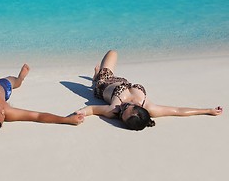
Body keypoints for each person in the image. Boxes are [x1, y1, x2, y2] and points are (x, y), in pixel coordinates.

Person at [75, 50, 223, 130]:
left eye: (122, 114)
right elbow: (177, 111)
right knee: (114, 52)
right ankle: (95, 77)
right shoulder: (150, 107)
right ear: (138, 107)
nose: (122, 107)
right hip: (121, 81)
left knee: (111, 53)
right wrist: (207, 110)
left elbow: (93, 109)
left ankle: (95, 79)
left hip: (105, 81)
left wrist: (82, 112)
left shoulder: (113, 110)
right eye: (126, 107)